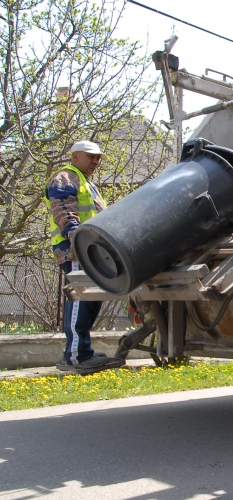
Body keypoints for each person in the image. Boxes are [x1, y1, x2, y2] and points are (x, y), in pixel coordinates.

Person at [45, 140, 123, 373]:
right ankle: (76, 356)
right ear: (76, 156)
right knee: (81, 298)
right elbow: (63, 209)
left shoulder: (85, 183)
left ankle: (82, 351)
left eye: (98, 158)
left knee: (90, 299)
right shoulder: (66, 178)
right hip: (76, 249)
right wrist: (75, 235)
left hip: (89, 250)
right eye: (91, 156)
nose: (96, 161)